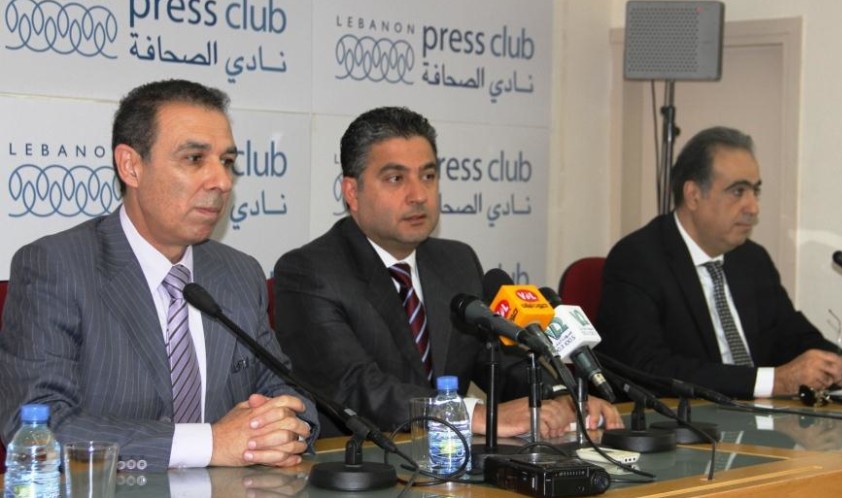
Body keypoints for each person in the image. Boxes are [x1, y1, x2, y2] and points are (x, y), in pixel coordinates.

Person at [0, 79, 318, 471]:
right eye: (194, 159)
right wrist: (210, 443)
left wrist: (283, 427)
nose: (222, 181)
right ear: (131, 166)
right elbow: (38, 425)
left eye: (227, 161)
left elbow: (288, 393)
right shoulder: (57, 266)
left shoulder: (239, 272)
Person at [274, 106, 622, 438]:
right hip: (357, 463)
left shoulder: (456, 261)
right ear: (352, 192)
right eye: (395, 178)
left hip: (450, 462)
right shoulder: (310, 272)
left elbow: (502, 362)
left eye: (428, 176)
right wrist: (477, 415)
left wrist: (562, 398)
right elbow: (357, 388)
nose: (418, 195)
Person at [597, 126, 842, 399]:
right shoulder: (639, 259)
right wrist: (774, 382)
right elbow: (646, 368)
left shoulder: (752, 260)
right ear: (693, 195)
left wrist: (839, 365)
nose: (753, 208)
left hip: (759, 421)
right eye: (738, 191)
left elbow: (792, 337)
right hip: (688, 424)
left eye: (755, 191)